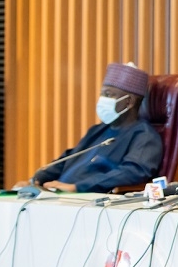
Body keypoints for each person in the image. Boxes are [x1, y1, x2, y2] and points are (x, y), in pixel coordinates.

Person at [14, 62, 163, 193]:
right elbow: (68, 159)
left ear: (129, 101)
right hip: (59, 195)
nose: (102, 100)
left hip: (91, 202)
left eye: (108, 94)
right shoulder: (98, 130)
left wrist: (78, 187)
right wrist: (35, 180)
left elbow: (132, 172)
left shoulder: (145, 137)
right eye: (102, 94)